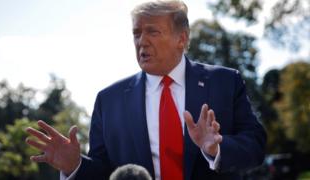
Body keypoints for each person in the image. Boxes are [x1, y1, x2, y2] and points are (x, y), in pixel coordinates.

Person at [25, 1, 267, 180]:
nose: (142, 41)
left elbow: (255, 147)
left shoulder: (225, 82)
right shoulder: (109, 101)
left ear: (181, 38)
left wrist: (216, 149)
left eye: (152, 31)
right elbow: (103, 171)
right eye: (137, 33)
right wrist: (75, 166)